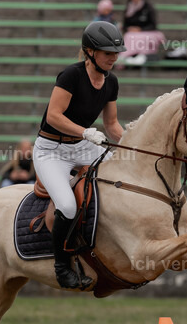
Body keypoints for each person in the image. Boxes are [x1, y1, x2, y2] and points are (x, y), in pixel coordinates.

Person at [35, 21, 125, 289]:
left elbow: (111, 125)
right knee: (67, 205)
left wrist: (132, 142)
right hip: (52, 150)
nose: (113, 57)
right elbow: (53, 116)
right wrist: (85, 132)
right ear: (89, 52)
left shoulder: (112, 82)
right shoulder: (70, 76)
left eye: (115, 52)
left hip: (83, 146)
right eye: (107, 52)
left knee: (123, 177)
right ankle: (62, 266)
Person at [120, 0, 165, 65]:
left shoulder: (148, 7)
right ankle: (128, 57)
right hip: (132, 34)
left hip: (147, 32)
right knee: (128, 36)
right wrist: (130, 28)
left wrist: (140, 29)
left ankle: (141, 55)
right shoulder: (128, 8)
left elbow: (153, 25)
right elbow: (125, 25)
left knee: (135, 37)